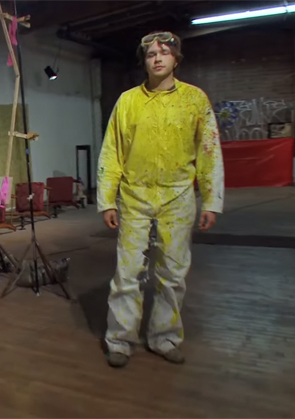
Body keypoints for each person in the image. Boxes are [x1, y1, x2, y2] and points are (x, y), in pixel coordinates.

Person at [96, 31, 224, 367]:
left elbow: (209, 151)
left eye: (164, 53)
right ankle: (120, 340)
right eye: (152, 54)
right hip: (134, 196)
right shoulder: (128, 102)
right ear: (145, 61)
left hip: (178, 196)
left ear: (176, 59)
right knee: (127, 273)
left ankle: (164, 337)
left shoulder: (194, 100)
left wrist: (211, 200)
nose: (157, 58)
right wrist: (107, 199)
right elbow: (112, 152)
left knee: (172, 274)